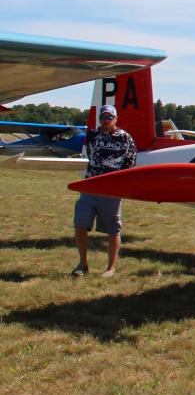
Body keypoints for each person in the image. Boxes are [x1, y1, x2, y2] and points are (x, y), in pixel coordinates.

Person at [72, 104, 137, 277]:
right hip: (90, 186)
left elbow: (130, 162)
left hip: (111, 190)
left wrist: (119, 185)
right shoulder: (92, 135)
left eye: (109, 117)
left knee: (113, 230)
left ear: (115, 119)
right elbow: (87, 156)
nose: (106, 121)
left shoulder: (125, 138)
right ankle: (82, 264)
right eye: (103, 118)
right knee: (80, 224)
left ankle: (110, 268)